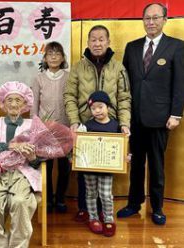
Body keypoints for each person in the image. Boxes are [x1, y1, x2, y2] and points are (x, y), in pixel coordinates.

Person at [117, 3, 184, 225]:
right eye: (147, 18)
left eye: (156, 18)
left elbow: (180, 84)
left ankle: (157, 207)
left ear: (165, 19)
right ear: (143, 20)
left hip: (160, 118)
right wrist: (123, 116)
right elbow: (124, 85)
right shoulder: (132, 47)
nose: (151, 22)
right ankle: (134, 203)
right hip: (134, 118)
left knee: (156, 164)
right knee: (135, 163)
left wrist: (176, 113)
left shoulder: (176, 47)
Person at [64, 25, 131, 221]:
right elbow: (69, 96)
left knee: (106, 168)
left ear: (109, 42)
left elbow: (125, 97)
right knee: (85, 168)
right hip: (86, 126)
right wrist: (75, 121)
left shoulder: (119, 68)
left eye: (101, 39)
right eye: (93, 39)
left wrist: (124, 124)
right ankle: (86, 209)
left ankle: (104, 211)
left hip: (110, 125)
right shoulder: (77, 67)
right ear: (88, 42)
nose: (97, 43)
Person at [0, 81, 41, 248]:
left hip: (22, 173)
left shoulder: (33, 126)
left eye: (18, 100)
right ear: (3, 103)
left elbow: (40, 160)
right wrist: (11, 146)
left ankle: (18, 245)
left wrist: (33, 156)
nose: (14, 104)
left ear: (25, 104)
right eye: (9, 100)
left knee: (21, 201)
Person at [31, 41, 70, 213]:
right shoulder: (39, 78)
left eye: (57, 53)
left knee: (64, 166)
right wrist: (35, 127)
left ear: (62, 58)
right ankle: (47, 198)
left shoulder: (69, 77)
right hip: (44, 130)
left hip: (66, 129)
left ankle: (60, 198)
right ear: (45, 58)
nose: (54, 57)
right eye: (50, 54)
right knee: (46, 166)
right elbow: (34, 106)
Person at [83, 91, 122, 237]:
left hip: (107, 168)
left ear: (108, 107)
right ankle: (93, 218)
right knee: (91, 193)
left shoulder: (115, 125)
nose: (97, 111)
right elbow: (82, 145)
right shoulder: (87, 125)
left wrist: (124, 158)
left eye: (100, 107)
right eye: (93, 108)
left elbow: (119, 146)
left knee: (106, 194)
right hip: (89, 167)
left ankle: (108, 218)